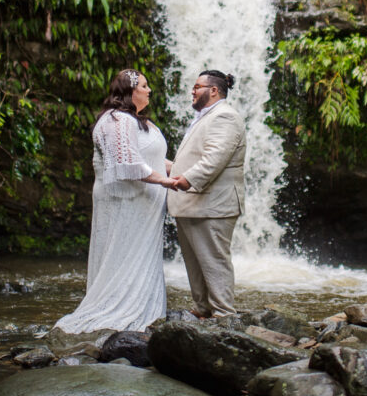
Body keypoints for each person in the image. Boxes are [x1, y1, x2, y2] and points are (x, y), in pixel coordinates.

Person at [54, 69, 176, 333]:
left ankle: (142, 308)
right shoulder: (117, 120)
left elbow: (150, 159)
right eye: (144, 86)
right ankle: (116, 311)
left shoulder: (136, 121)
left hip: (143, 203)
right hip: (127, 201)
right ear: (129, 91)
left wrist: (179, 170)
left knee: (138, 255)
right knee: (121, 254)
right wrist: (167, 182)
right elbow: (127, 164)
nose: (149, 90)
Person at [168, 69, 246, 319]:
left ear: (214, 90)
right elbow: (191, 159)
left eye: (197, 86)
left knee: (214, 262)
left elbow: (215, 158)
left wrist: (187, 180)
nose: (192, 90)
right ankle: (203, 310)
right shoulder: (205, 117)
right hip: (193, 202)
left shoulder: (225, 116)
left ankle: (224, 315)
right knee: (195, 263)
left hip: (213, 204)